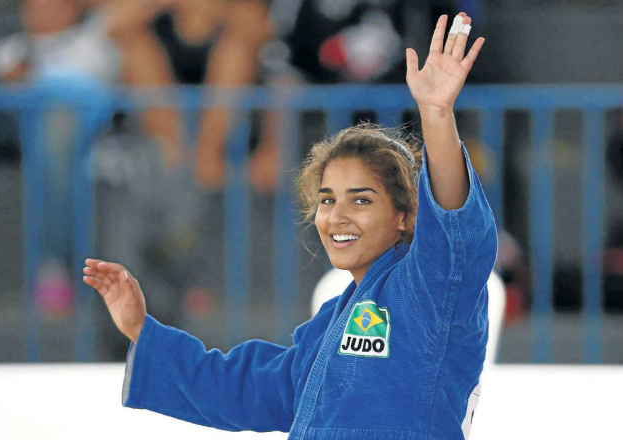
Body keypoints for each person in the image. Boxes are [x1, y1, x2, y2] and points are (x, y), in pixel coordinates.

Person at [83, 12, 497, 439]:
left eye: (361, 199)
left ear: (406, 215)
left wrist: (436, 115)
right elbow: (242, 389)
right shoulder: (328, 328)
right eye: (326, 199)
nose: (337, 215)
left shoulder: (431, 286)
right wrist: (142, 330)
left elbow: (453, 229)